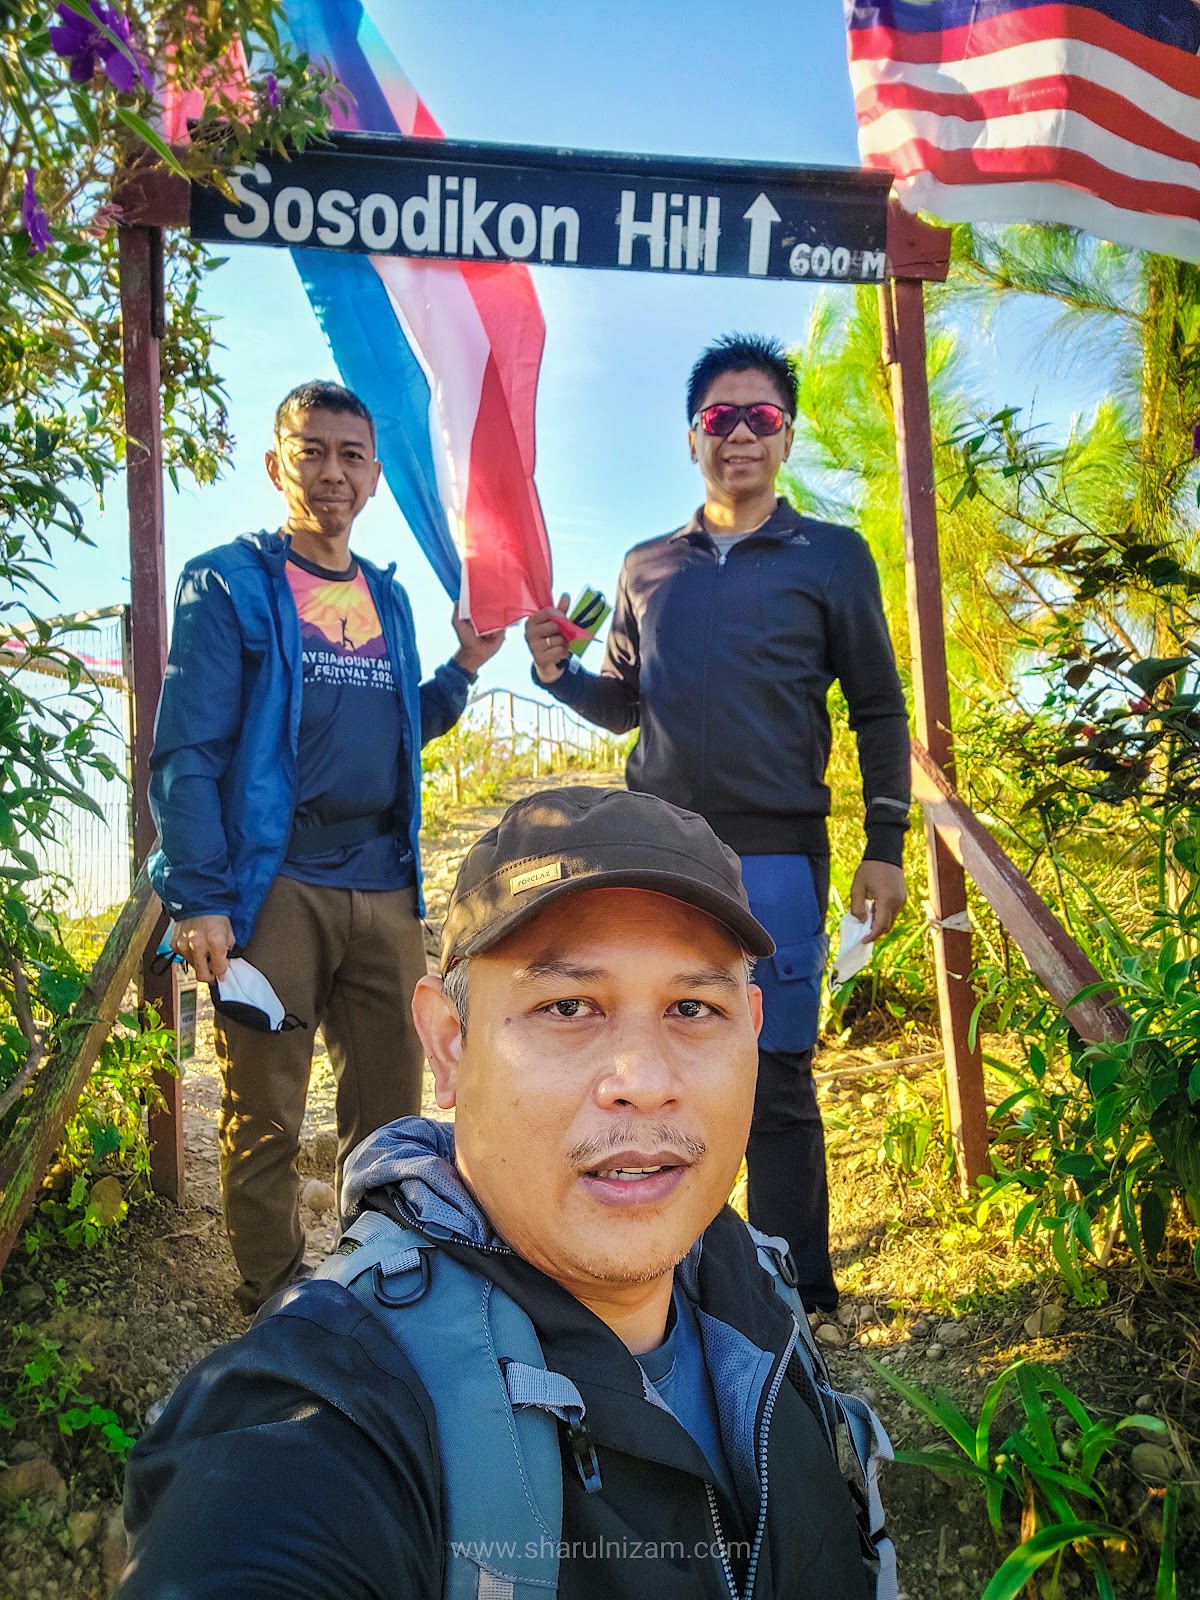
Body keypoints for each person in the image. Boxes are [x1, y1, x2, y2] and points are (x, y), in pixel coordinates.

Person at [119, 786, 893, 1600]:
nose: (645, 1081)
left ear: (753, 1030)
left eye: (693, 1007)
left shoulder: (754, 1282)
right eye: (567, 1006)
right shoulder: (332, 1405)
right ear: (448, 1046)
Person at [524, 335, 910, 1310]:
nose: (739, 434)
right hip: (658, 855)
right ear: (691, 436)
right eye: (719, 418)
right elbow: (624, 700)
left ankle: (791, 1293)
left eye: (760, 417)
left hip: (781, 853)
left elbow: (877, 706)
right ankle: (674, 1279)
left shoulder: (833, 557)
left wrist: (888, 846)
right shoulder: (646, 566)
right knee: (655, 1068)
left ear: (786, 434)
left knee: (774, 1076)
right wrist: (556, 673)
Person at [148, 379, 504, 1314]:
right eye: (312, 451)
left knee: (392, 1114)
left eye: (351, 455)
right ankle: (273, 1298)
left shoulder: (386, 595)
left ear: (376, 476)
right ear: (277, 465)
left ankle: (375, 1289)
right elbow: (187, 749)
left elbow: (393, 728)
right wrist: (199, 897)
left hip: (384, 890)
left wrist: (464, 670)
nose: (332, 472)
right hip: (274, 890)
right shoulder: (230, 582)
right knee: (263, 1110)